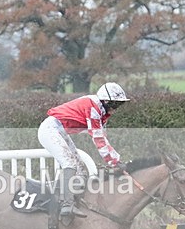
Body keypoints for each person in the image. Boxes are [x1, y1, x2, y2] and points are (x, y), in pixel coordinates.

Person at [37, 82, 130, 220]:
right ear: (105, 101)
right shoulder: (93, 107)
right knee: (69, 164)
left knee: (81, 171)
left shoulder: (102, 111)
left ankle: (70, 201)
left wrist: (115, 161)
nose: (116, 108)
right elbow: (98, 139)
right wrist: (115, 161)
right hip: (50, 130)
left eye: (119, 105)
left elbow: (103, 138)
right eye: (115, 104)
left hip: (59, 131)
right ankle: (66, 205)